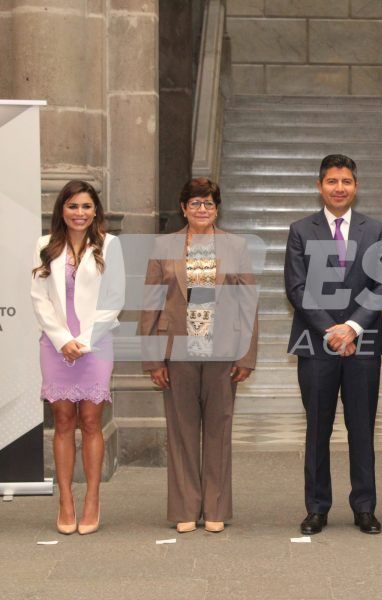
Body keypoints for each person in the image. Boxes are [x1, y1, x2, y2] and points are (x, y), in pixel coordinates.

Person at [140, 177, 259, 534]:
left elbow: (247, 303)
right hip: (178, 347)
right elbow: (150, 304)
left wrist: (247, 355)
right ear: (183, 208)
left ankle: (216, 506)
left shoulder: (235, 246)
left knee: (220, 428)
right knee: (182, 430)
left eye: (208, 203)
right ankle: (186, 509)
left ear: (217, 208)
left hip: (223, 348)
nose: (202, 210)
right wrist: (152, 359)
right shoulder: (164, 246)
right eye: (195, 203)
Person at [284, 154, 382, 535]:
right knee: (318, 428)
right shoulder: (301, 230)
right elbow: (296, 287)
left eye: (346, 181)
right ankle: (317, 507)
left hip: (362, 344)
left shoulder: (374, 230)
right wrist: (332, 330)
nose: (339, 188)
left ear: (356, 187)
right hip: (316, 344)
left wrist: (351, 327)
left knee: (362, 428)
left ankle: (364, 507)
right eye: (332, 181)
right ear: (320, 186)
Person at [31, 180, 124, 535]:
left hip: (95, 345)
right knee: (63, 420)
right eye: (73, 206)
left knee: (90, 420)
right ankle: (66, 499)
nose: (80, 213)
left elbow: (114, 299)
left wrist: (82, 341)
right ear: (62, 210)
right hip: (55, 346)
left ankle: (92, 500)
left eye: (86, 206)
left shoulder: (109, 245)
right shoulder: (44, 246)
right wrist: (61, 339)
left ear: (95, 210)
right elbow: (39, 299)